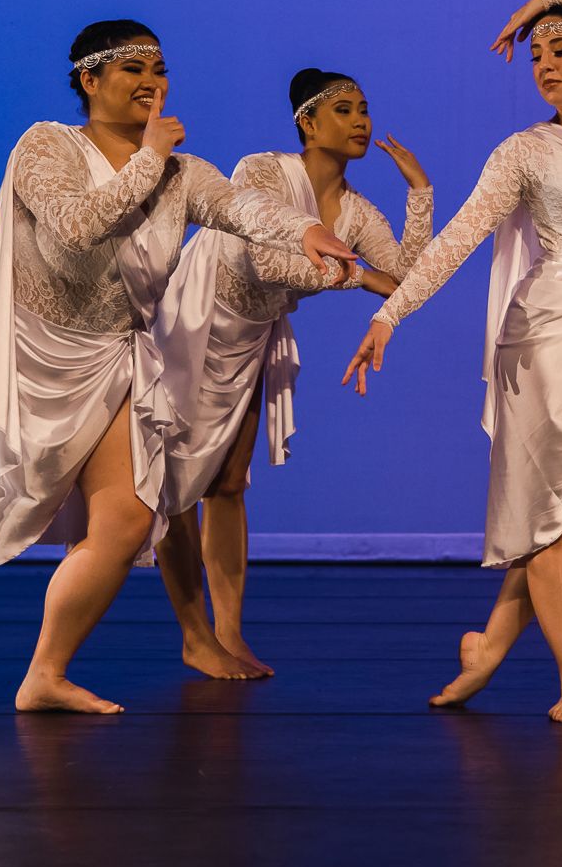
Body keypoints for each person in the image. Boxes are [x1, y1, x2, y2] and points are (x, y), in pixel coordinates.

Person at [0, 20, 358, 711]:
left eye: (158, 66)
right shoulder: (47, 145)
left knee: (128, 521)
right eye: (131, 66)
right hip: (29, 363)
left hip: (113, 361)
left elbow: (239, 204)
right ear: (89, 80)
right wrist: (148, 159)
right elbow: (76, 226)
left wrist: (305, 227)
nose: (150, 79)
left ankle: (45, 672)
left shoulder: (180, 175)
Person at [343, 0, 562, 723]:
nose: (546, 66)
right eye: (536, 56)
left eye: (561, 50)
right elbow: (458, 237)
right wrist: (391, 313)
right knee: (550, 519)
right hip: (551, 342)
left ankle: (489, 645)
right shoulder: (525, 150)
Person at [155, 68, 433, 676]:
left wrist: (420, 194)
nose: (361, 120)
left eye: (364, 108)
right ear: (306, 123)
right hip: (198, 316)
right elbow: (262, 256)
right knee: (174, 480)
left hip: (254, 334)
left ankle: (228, 631)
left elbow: (408, 281)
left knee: (229, 483)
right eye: (343, 110)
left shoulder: (358, 213)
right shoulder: (262, 169)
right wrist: (358, 277)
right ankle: (194, 631)